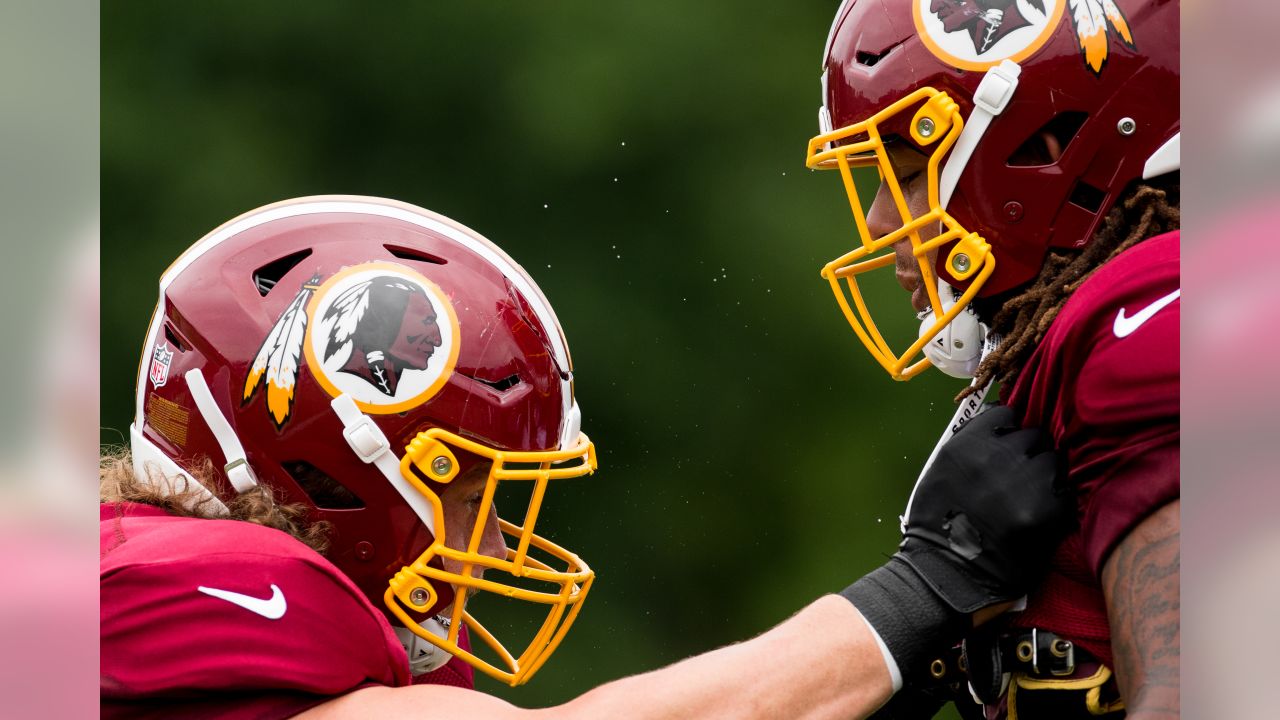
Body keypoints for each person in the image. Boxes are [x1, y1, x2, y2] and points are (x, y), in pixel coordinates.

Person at [101, 195, 1073, 719]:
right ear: (320, 465)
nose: (491, 537)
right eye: (470, 487)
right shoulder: (181, 585)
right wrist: (919, 590)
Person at [806, 0, 1178, 717]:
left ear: (1047, 149)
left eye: (910, 171)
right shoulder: (1060, 350)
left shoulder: (1155, 310)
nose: (882, 222)